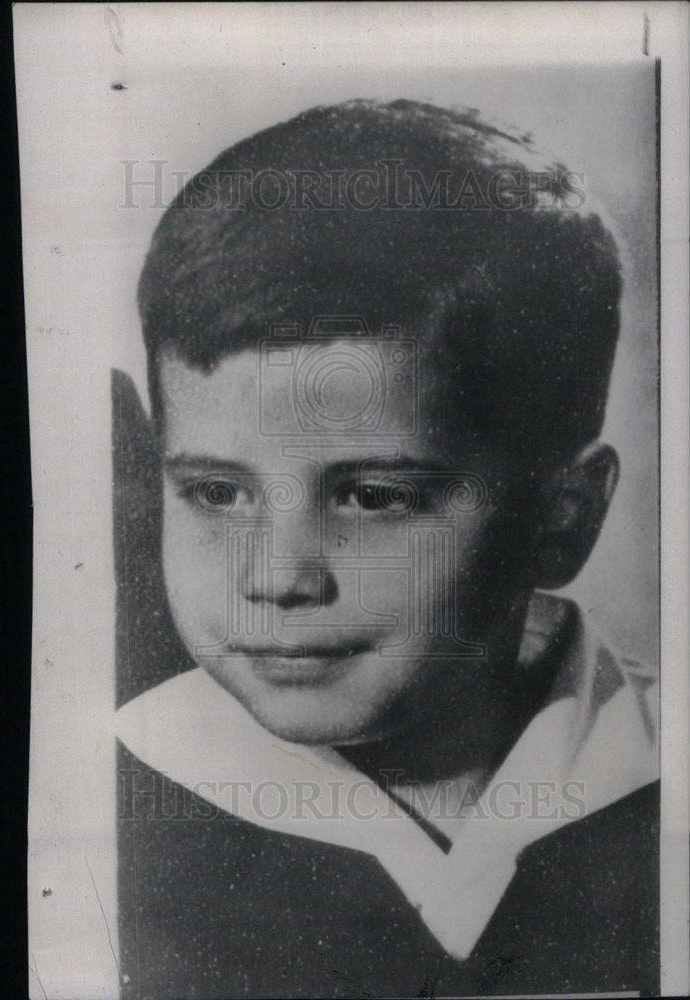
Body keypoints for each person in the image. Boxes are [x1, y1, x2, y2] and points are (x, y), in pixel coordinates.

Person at [113, 99, 659, 998]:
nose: (276, 577)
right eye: (216, 492)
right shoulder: (119, 792)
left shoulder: (656, 773)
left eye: (372, 496)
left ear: (562, 517)